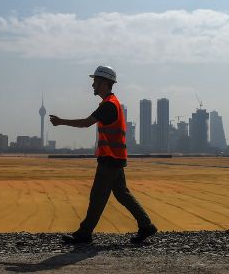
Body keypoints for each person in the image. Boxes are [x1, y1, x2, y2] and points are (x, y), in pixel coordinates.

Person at [50, 65, 158, 244]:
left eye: (95, 82)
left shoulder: (108, 106)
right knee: (122, 194)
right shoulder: (111, 103)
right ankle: (146, 226)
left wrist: (61, 122)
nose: (92, 85)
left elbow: (86, 123)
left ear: (104, 83)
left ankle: (84, 233)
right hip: (115, 157)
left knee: (97, 196)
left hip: (110, 159)